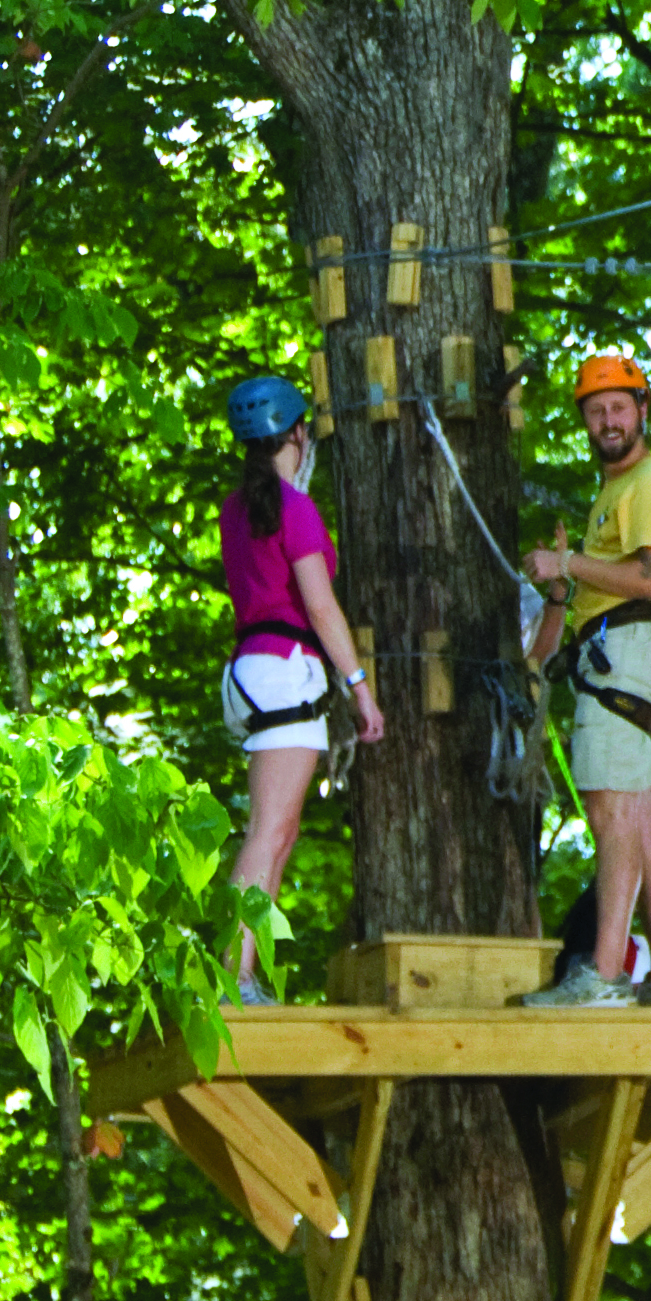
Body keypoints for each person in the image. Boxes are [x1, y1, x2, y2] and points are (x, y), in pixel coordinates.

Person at [521, 353, 651, 1005]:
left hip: (624, 654)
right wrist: (568, 579)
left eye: (619, 406)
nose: (608, 420)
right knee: (642, 825)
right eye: (596, 411)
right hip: (623, 655)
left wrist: (567, 563)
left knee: (613, 814)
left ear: (643, 409)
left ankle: (604, 973)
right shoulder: (616, 492)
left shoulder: (648, 483)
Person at [219, 377, 385, 1002]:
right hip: (286, 669)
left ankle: (243, 972)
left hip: (254, 670)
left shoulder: (239, 509)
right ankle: (230, 977)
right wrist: (360, 687)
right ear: (297, 433)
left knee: (280, 831)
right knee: (269, 830)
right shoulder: (294, 508)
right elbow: (320, 606)